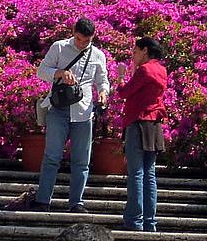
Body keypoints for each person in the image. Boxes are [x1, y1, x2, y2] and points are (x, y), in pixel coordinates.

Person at [33, 18, 110, 213]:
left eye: (86, 40)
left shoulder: (98, 54)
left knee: (82, 160)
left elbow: (103, 80)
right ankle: (43, 200)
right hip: (58, 108)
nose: (81, 43)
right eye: (78, 39)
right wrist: (60, 73)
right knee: (52, 156)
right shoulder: (59, 47)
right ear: (73, 32)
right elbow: (41, 71)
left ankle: (76, 202)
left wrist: (103, 92)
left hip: (84, 112)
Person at [117, 37, 168, 232]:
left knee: (136, 174)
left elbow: (124, 93)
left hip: (138, 123)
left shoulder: (144, 70)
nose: (133, 55)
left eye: (135, 52)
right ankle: (150, 222)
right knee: (150, 174)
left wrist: (122, 76)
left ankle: (134, 221)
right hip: (154, 126)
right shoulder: (161, 70)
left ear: (145, 51)